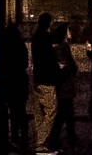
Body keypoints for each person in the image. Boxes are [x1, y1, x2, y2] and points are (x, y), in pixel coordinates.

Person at [30, 13, 64, 149]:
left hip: (38, 78)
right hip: (47, 79)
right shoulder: (45, 38)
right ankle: (41, 142)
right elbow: (49, 59)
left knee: (39, 114)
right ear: (49, 23)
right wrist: (58, 69)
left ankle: (40, 141)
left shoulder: (36, 37)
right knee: (51, 111)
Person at [0, 21, 31, 149]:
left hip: (8, 81)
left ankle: (14, 136)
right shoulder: (20, 45)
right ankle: (24, 138)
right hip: (19, 81)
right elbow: (25, 63)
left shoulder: (3, 46)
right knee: (21, 111)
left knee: (12, 112)